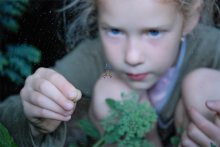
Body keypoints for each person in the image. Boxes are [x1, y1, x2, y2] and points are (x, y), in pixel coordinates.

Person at [0, 0, 220, 146]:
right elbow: (8, 112)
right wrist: (36, 111)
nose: (132, 57)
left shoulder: (211, 49)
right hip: (106, 73)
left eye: (153, 32)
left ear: (191, 18)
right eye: (115, 31)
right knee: (109, 86)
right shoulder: (101, 60)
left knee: (204, 85)